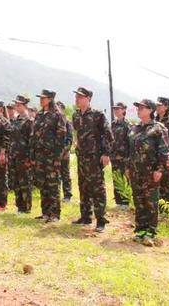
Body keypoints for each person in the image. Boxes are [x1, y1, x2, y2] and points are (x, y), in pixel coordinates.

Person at [126, 99, 169, 246]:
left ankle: (150, 232)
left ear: (150, 110)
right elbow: (130, 150)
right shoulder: (134, 128)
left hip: (150, 172)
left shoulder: (158, 128)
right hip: (135, 171)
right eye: (138, 107)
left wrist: (159, 169)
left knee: (150, 201)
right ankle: (140, 230)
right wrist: (128, 167)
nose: (139, 110)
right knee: (139, 201)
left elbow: (164, 151)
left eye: (142, 107)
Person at [71, 87, 113, 233]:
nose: (77, 99)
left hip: (94, 158)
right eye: (76, 96)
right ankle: (85, 216)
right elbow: (78, 133)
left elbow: (108, 134)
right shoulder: (76, 115)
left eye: (80, 97)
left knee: (97, 189)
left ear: (88, 98)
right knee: (83, 187)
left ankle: (101, 220)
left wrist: (106, 153)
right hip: (81, 157)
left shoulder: (97, 115)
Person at [30, 89, 67, 223]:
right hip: (40, 156)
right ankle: (45, 212)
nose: (41, 100)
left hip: (51, 157)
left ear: (50, 99)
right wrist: (32, 155)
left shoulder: (57, 114)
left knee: (52, 185)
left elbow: (61, 136)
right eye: (40, 97)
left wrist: (58, 157)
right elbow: (33, 136)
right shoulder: (39, 114)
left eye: (44, 98)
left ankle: (55, 214)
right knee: (43, 184)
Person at [10, 95, 34, 214]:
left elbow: (32, 141)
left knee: (25, 182)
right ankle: (19, 206)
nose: (16, 106)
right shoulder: (14, 120)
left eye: (19, 105)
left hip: (24, 157)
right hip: (14, 155)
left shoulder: (29, 121)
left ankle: (26, 207)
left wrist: (30, 158)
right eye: (16, 104)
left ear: (25, 106)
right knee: (16, 183)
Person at [111, 102, 132, 210]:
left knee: (124, 179)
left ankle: (125, 202)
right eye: (115, 109)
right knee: (116, 178)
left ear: (124, 110)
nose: (116, 111)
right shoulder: (113, 124)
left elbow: (130, 143)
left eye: (118, 109)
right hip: (114, 157)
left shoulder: (128, 125)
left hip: (124, 157)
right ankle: (118, 201)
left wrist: (128, 158)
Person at [56, 101, 73, 203]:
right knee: (56, 175)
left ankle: (67, 195)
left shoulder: (67, 121)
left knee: (65, 174)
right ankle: (56, 194)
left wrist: (64, 151)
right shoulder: (55, 121)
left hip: (64, 154)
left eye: (58, 108)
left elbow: (69, 139)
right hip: (56, 153)